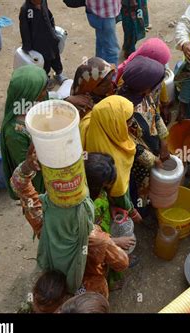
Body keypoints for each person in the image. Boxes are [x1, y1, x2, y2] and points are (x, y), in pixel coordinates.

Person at [11, 145, 130, 297]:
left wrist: (27, 166)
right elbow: (122, 263)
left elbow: (20, 186)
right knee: (93, 297)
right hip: (86, 284)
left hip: (53, 281)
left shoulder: (43, 218)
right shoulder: (96, 239)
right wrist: (114, 242)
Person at [117, 56, 170, 209]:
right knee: (142, 187)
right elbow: (130, 144)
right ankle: (142, 210)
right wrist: (154, 160)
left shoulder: (144, 96)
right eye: (155, 85)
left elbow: (155, 114)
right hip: (139, 162)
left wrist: (164, 141)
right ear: (146, 88)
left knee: (153, 181)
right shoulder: (123, 110)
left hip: (153, 147)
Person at [80, 95, 142, 223]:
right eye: (127, 122)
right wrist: (133, 212)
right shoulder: (114, 160)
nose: (131, 124)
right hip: (104, 204)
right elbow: (119, 194)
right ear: (115, 123)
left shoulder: (91, 119)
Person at [0, 65, 48, 199]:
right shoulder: (15, 133)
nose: (46, 93)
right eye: (43, 89)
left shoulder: (37, 104)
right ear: (30, 94)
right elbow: (26, 167)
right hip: (38, 185)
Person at [85, 152, 136, 251]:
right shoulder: (83, 207)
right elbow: (85, 239)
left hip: (105, 230)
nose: (107, 188)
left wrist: (110, 208)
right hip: (97, 244)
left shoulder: (99, 191)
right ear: (94, 185)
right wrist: (116, 241)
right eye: (105, 185)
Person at [116, 38, 172, 123]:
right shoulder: (128, 81)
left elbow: (161, 85)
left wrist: (165, 104)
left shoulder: (153, 75)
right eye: (161, 64)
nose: (163, 68)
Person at [19, 0, 67, 84]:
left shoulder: (43, 2)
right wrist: (27, 47)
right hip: (38, 42)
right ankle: (45, 77)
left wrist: (53, 30)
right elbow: (24, 29)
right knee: (45, 62)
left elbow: (49, 15)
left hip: (50, 36)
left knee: (55, 56)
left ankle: (58, 73)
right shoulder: (26, 9)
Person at [86, 0, 122, 65]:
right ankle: (111, 75)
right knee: (112, 52)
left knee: (101, 45)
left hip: (98, 9)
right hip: (105, 11)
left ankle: (99, 71)